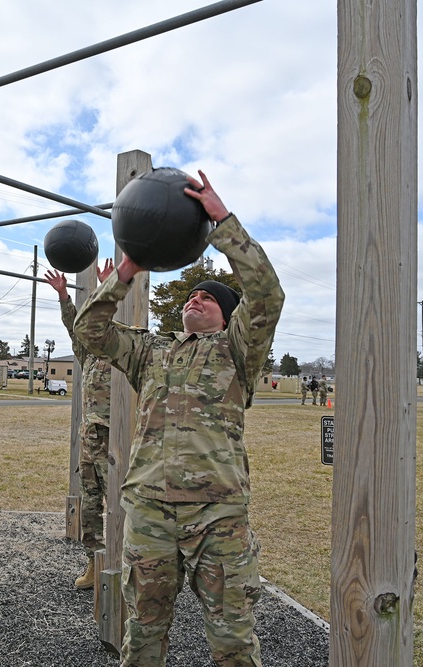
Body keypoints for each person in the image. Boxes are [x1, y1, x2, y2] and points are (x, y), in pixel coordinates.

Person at [74, 170, 283, 666]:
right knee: (143, 634)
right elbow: (90, 332)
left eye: (208, 297)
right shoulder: (151, 352)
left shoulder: (237, 350)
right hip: (149, 509)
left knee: (232, 641)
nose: (195, 299)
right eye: (192, 295)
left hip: (218, 513)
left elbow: (267, 295)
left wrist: (220, 222)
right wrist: (124, 273)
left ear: (229, 316)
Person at [45, 258, 115, 589]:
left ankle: (123, 566)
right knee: (90, 506)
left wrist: (107, 288)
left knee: (121, 505)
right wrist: (63, 296)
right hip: (90, 442)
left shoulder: (125, 353)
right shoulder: (88, 354)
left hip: (117, 443)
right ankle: (94, 562)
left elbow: (108, 316)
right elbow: (76, 326)